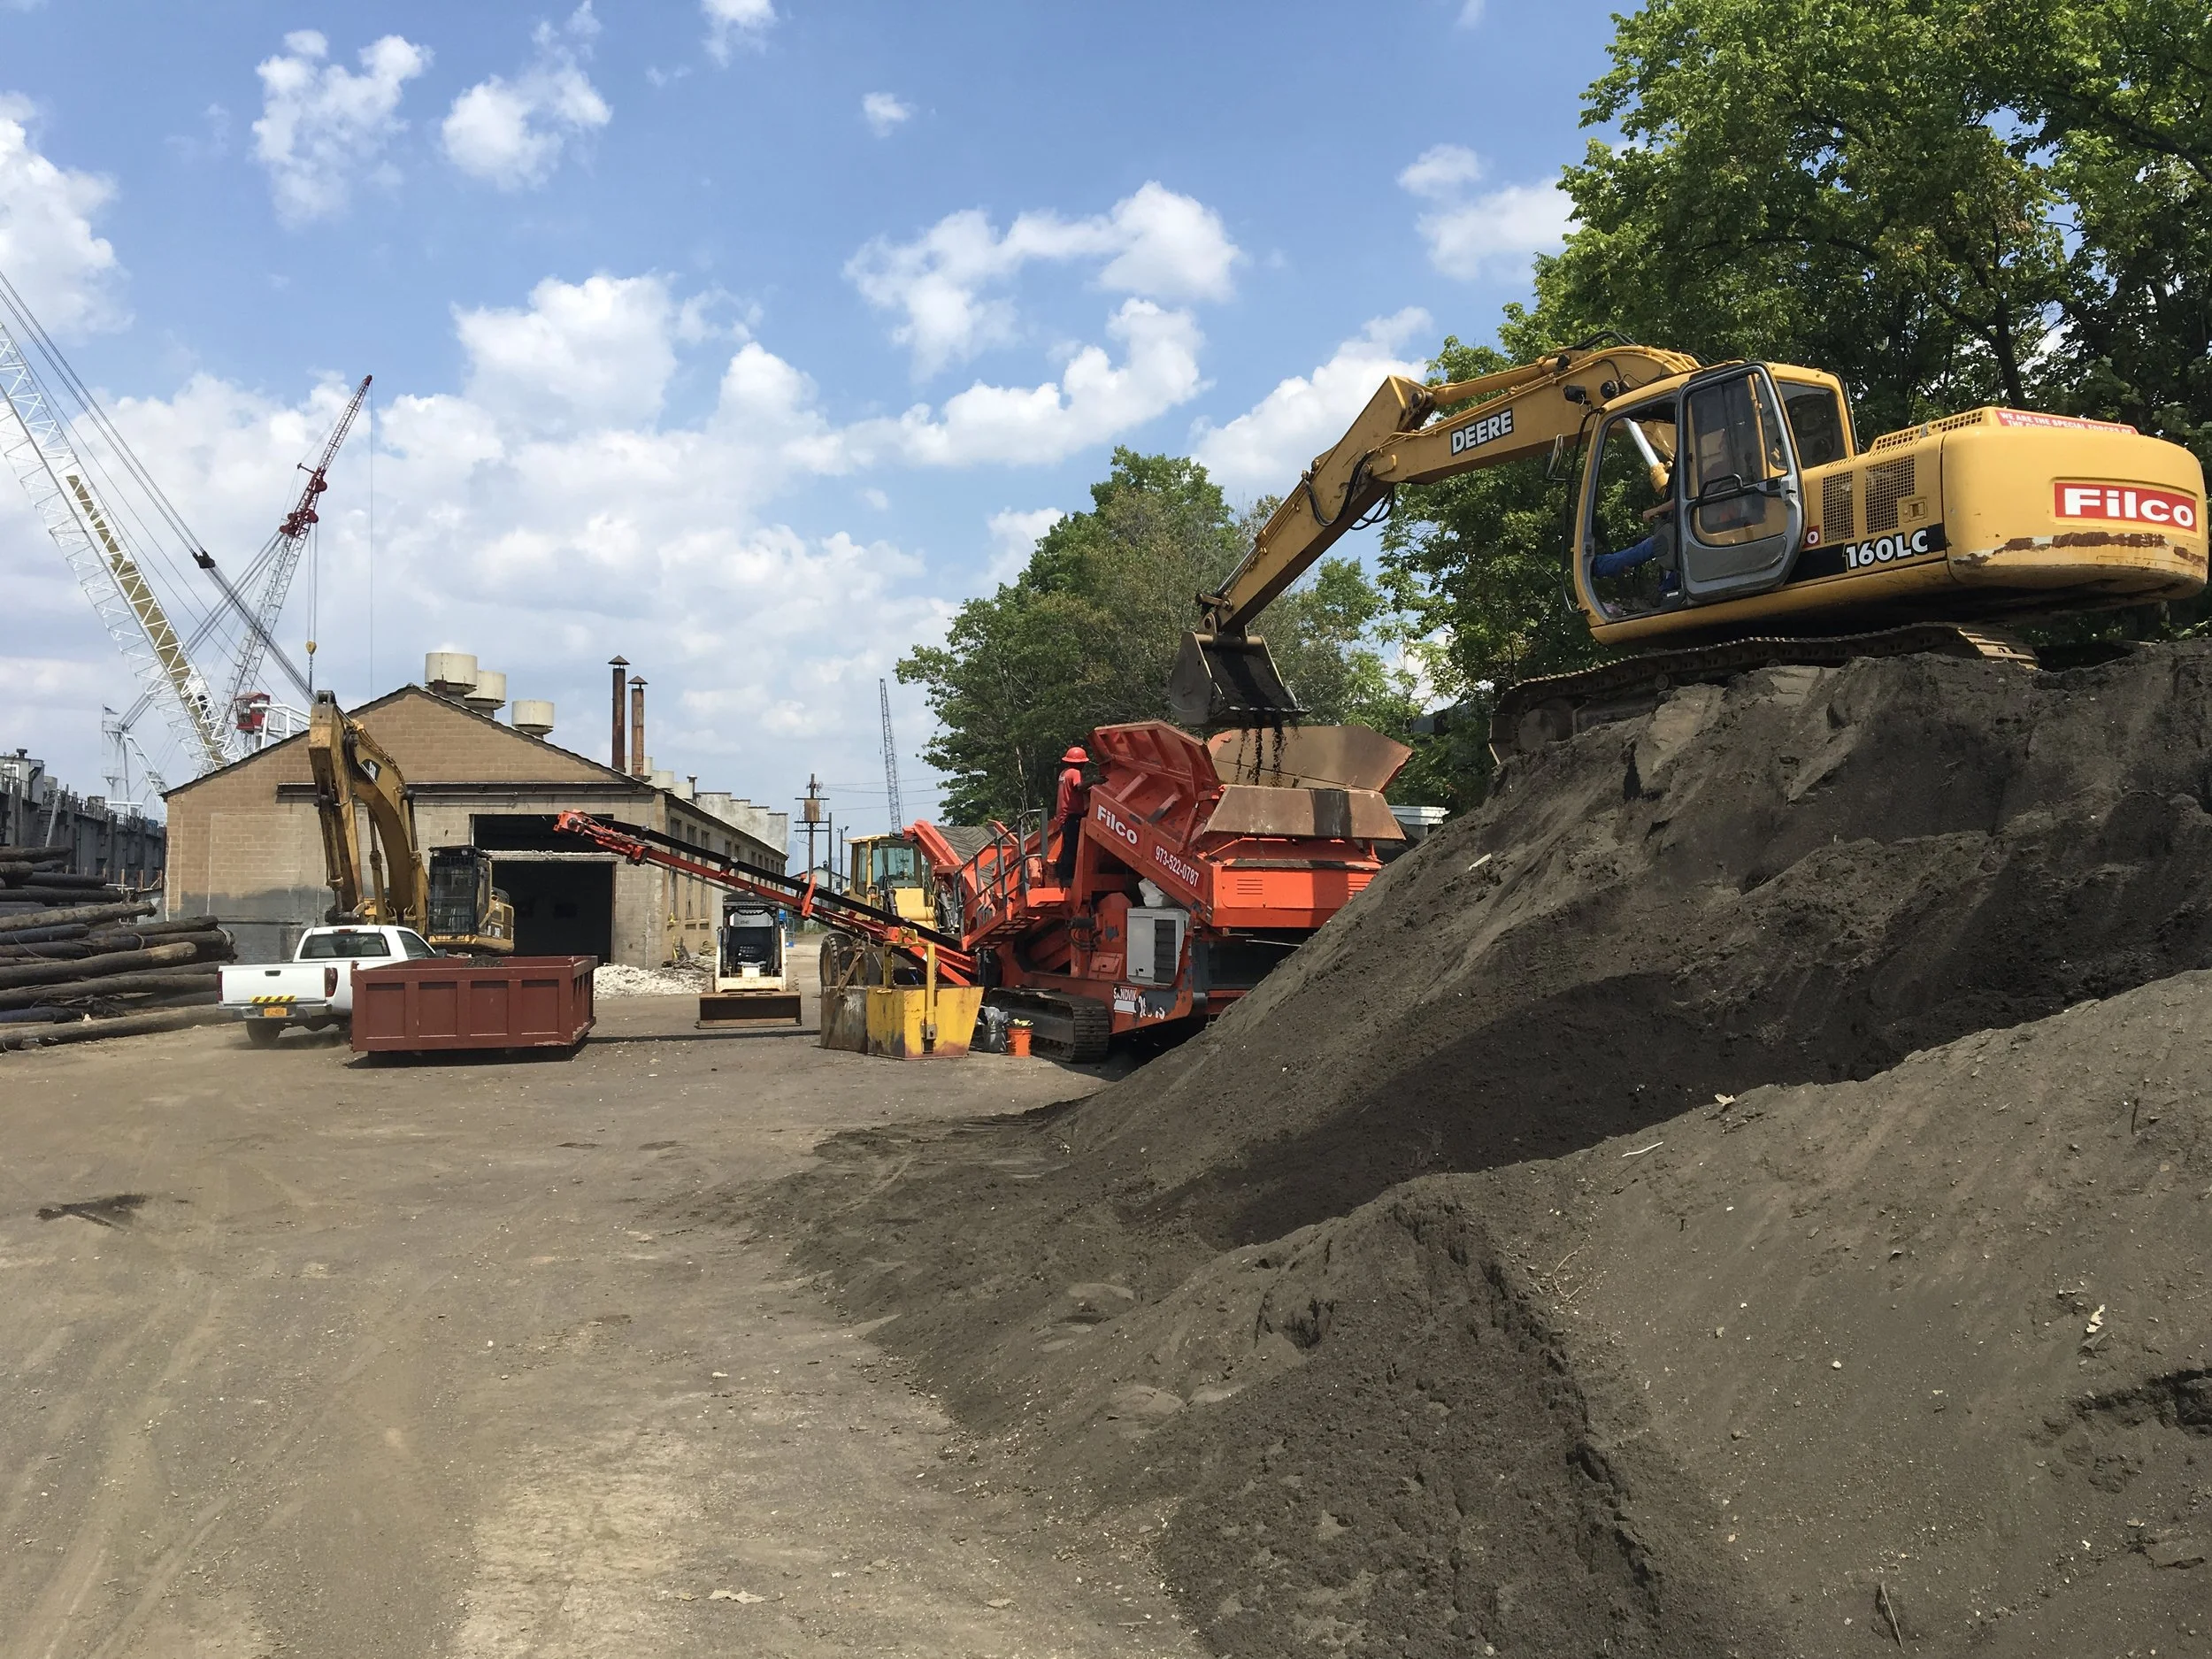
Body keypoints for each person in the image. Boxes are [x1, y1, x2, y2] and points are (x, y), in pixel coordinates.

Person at [1051, 744, 1087, 880]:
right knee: (1073, 847)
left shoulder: (1064, 773)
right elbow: (1079, 787)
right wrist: (1093, 782)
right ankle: (1067, 877)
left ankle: (1064, 874)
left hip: (1063, 814)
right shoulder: (1075, 772)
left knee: (1068, 845)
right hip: (1072, 814)